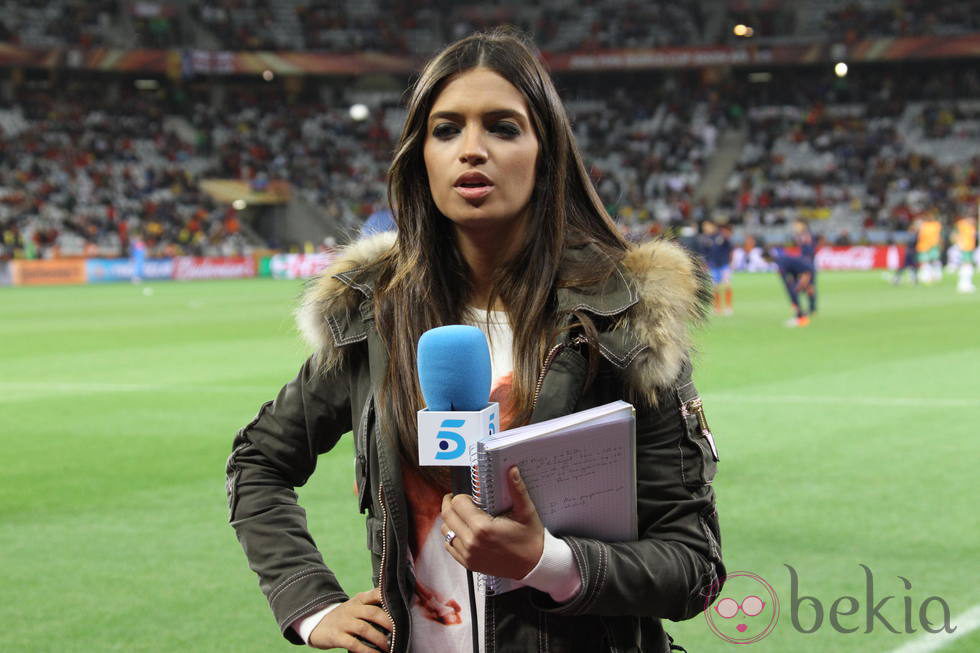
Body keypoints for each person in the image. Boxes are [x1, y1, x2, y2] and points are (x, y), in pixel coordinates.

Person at [226, 29, 724, 653]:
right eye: (446, 129)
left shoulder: (622, 321)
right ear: (420, 157)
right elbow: (258, 463)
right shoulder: (375, 316)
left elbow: (693, 567)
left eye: (503, 127)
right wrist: (310, 602)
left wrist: (547, 561)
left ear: (547, 154)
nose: (471, 150)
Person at [763, 248, 814, 327]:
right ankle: (805, 313)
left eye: (764, 259)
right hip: (804, 271)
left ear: (767, 258)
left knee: (794, 292)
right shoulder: (780, 260)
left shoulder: (780, 264)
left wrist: (792, 293)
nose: (764, 261)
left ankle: (801, 317)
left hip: (805, 272)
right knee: (800, 291)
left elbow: (786, 281)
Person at [700, 220, 734, 315]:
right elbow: (704, 253)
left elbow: (730, 248)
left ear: (712, 226)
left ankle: (728, 307)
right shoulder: (705, 239)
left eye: (706, 226)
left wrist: (731, 262)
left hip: (724, 264)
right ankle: (717, 308)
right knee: (715, 287)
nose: (705, 229)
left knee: (727, 285)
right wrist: (705, 264)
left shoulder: (722, 236)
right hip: (713, 265)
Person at [792, 219, 818, 315]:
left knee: (806, 286)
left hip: (807, 265)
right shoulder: (803, 235)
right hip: (804, 264)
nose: (795, 227)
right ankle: (810, 308)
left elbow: (810, 251)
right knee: (806, 286)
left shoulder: (807, 236)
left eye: (797, 225)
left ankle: (809, 308)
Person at [953, 209, 977, 293]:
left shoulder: (971, 226)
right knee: (967, 265)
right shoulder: (961, 224)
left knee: (968, 264)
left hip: (969, 247)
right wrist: (959, 243)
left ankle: (966, 284)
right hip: (965, 247)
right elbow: (955, 234)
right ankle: (964, 284)